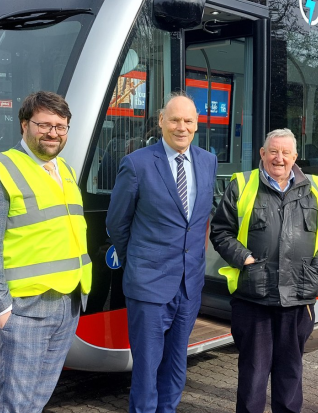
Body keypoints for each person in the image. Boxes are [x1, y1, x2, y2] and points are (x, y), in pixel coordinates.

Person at [0, 91, 91, 413]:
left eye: (61, 126)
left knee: (38, 398)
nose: (53, 133)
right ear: (25, 125)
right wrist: (1, 309)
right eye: (45, 125)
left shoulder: (63, 168)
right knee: (17, 403)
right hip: (26, 308)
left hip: (68, 302)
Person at [210, 128, 318, 413]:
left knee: (290, 373)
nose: (279, 158)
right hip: (253, 297)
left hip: (299, 297)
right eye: (273, 151)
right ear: (262, 153)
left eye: (285, 153)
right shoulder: (242, 185)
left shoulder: (316, 189)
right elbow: (220, 232)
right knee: (253, 374)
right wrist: (243, 258)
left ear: (295, 156)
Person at [106, 93, 217, 413]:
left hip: (189, 284)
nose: (181, 127)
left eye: (188, 121)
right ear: (161, 122)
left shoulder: (207, 161)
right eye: (174, 120)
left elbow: (199, 222)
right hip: (148, 283)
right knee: (146, 365)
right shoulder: (137, 163)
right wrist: (136, 262)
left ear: (197, 125)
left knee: (177, 361)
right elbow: (117, 222)